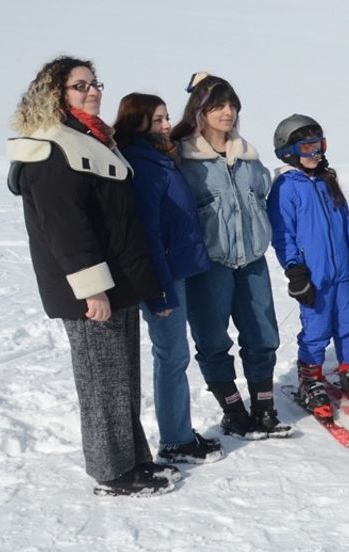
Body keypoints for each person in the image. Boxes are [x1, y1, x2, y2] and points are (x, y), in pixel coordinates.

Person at [8, 56, 177, 495]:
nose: (93, 91)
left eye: (94, 83)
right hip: (91, 291)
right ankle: (110, 471)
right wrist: (92, 288)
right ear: (55, 95)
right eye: (80, 86)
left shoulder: (94, 139)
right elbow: (65, 228)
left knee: (122, 379)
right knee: (101, 383)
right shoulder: (50, 146)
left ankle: (135, 460)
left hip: (118, 283)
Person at [173, 72, 290, 439]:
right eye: (217, 105)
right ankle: (233, 410)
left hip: (252, 259)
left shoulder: (248, 158)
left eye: (231, 104)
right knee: (212, 340)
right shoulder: (184, 160)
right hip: (210, 266)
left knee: (263, 335)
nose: (227, 112)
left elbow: (262, 198)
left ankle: (264, 408)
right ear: (200, 110)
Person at [113, 93, 222, 465]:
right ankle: (175, 440)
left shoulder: (161, 157)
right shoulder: (142, 164)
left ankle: (180, 432)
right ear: (137, 122)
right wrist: (159, 291)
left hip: (182, 270)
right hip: (165, 278)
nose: (165, 125)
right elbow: (148, 232)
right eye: (157, 120)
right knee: (172, 357)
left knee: (177, 355)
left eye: (165, 117)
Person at [267, 114, 349, 416]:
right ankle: (310, 378)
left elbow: (345, 223)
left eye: (320, 146)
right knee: (316, 329)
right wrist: (295, 270)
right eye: (308, 148)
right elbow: (282, 234)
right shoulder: (286, 187)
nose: (316, 153)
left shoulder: (328, 180)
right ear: (289, 151)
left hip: (340, 273)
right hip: (313, 277)